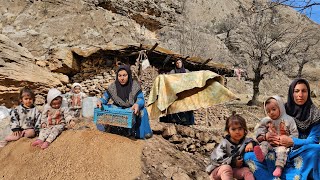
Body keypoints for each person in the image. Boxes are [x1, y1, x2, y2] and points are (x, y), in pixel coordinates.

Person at [244, 78, 320, 180]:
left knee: (316, 150)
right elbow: (262, 127)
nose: (300, 95)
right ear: (291, 92)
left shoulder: (315, 114)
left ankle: (294, 176)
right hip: (274, 149)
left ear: (308, 93)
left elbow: (314, 140)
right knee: (249, 156)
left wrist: (292, 141)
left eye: (304, 91)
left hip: (300, 151)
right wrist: (266, 137)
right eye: (296, 91)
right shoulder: (280, 109)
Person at [96, 65, 152, 139]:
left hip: (131, 109)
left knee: (143, 111)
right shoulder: (113, 86)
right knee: (106, 108)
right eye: (119, 76)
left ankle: (141, 133)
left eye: (124, 75)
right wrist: (100, 101)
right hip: (119, 109)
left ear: (128, 75)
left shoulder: (135, 86)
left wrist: (137, 104)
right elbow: (105, 98)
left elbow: (141, 99)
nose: (122, 78)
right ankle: (113, 130)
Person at [253, 96, 298, 177]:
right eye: (268, 111)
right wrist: (265, 136)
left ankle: (279, 167)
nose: (271, 113)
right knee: (264, 144)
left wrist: (288, 140)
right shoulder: (266, 120)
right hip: (270, 143)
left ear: (281, 107)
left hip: (282, 144)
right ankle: (261, 155)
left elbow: (295, 134)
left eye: (274, 109)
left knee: (282, 151)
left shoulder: (289, 120)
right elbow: (259, 131)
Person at [206, 111, 255, 180]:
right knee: (226, 168)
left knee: (246, 171)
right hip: (218, 171)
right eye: (233, 129)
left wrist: (251, 144)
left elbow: (254, 142)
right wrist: (233, 162)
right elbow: (217, 159)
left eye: (240, 128)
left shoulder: (245, 141)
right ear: (228, 131)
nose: (237, 132)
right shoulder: (224, 143)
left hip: (233, 170)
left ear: (244, 130)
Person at [160, 59, 194, 125]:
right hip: (176, 92)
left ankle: (186, 121)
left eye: (180, 62)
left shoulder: (186, 71)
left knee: (186, 106)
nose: (179, 64)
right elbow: (169, 79)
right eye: (177, 63)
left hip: (185, 91)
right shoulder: (173, 72)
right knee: (175, 106)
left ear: (182, 63)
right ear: (176, 64)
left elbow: (191, 79)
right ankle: (174, 120)